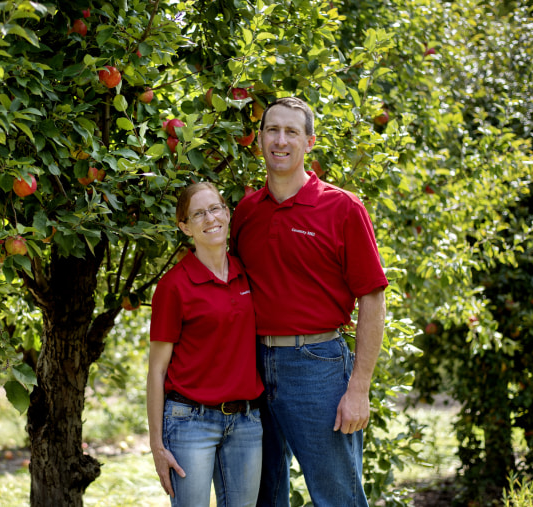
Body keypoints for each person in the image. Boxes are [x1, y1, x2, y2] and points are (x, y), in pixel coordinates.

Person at [230, 96, 388, 507]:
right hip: (251, 369)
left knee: (337, 496)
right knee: (261, 497)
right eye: (272, 130)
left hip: (317, 366)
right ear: (259, 138)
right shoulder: (246, 212)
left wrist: (359, 388)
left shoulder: (343, 208)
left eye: (291, 132)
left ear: (309, 141)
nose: (280, 140)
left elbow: (372, 299)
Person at [146, 182, 265, 507]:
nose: (210, 219)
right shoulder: (173, 286)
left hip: (246, 422)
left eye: (215, 209)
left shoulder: (247, 273)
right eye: (198, 214)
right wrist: (157, 445)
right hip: (190, 423)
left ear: (227, 213)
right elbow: (156, 371)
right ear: (184, 226)